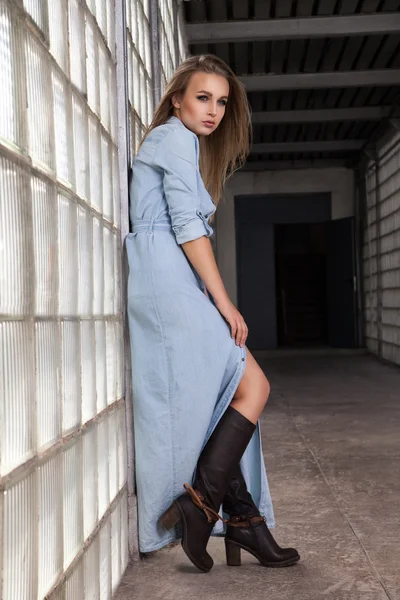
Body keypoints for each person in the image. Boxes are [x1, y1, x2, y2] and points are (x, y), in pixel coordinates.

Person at [126, 54, 299, 572]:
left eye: (222, 102)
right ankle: (202, 506)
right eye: (203, 97)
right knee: (253, 386)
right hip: (168, 277)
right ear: (177, 98)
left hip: (171, 278)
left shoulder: (181, 144)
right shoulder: (173, 138)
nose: (214, 110)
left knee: (224, 397)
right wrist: (224, 303)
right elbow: (185, 226)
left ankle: (243, 524)